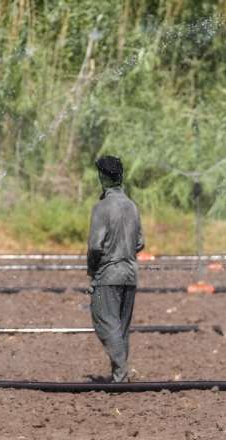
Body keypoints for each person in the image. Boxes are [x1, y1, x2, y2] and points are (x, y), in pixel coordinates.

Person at [87, 155, 145, 383]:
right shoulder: (132, 206)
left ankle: (120, 373)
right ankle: (119, 374)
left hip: (108, 275)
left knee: (104, 321)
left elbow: (94, 246)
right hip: (130, 274)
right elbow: (140, 243)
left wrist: (92, 272)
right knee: (120, 326)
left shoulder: (102, 208)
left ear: (102, 177)